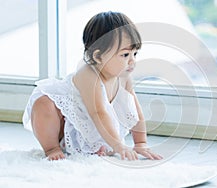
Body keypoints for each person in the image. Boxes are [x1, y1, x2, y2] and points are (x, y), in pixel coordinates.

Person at [22, 11, 163, 161]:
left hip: (94, 122)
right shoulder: (88, 74)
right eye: (125, 55)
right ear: (98, 56)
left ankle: (94, 146)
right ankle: (52, 148)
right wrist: (118, 145)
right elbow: (98, 113)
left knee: (113, 124)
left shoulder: (123, 76)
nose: (132, 61)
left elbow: (135, 111)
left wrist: (141, 142)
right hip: (64, 120)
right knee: (43, 104)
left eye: (135, 54)